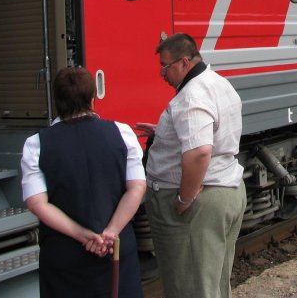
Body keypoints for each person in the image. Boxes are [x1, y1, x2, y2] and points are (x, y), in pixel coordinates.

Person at [21, 67, 146, 298]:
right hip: (116, 251)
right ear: (92, 99)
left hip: (65, 258)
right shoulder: (122, 133)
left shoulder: (36, 145)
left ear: (57, 101)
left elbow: (37, 203)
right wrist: (110, 232)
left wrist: (82, 235)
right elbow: (137, 187)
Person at [141, 33, 245, 298]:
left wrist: (185, 198)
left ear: (184, 62)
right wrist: (165, 132)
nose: (162, 72)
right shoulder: (217, 82)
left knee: (190, 288)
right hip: (227, 189)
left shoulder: (191, 97)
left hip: (197, 207)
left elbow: (199, 151)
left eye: (165, 66)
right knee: (212, 285)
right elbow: (208, 131)